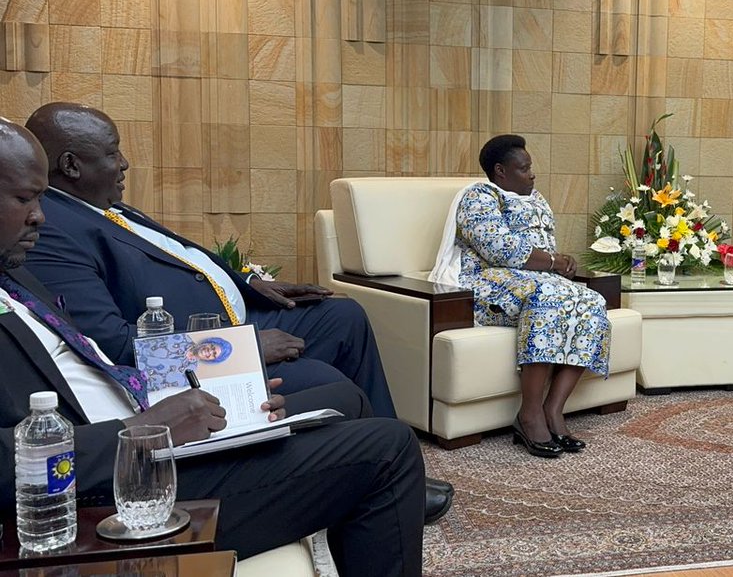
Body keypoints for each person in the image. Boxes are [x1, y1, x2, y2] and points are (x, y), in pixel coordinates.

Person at [0, 118, 424, 575]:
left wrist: (248, 287)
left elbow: (173, 274)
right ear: (73, 164)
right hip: (115, 480)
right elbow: (115, 343)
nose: (38, 214)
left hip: (149, 411)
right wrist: (143, 425)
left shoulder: (18, 273)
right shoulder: (45, 241)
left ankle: (362, 504)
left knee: (341, 383)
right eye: (25, 198)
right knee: (389, 447)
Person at [430, 135, 610, 458]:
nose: (532, 174)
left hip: (532, 281)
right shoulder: (480, 197)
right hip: (484, 284)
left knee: (593, 302)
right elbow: (500, 249)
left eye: (531, 168)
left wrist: (560, 261)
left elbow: (544, 249)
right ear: (501, 171)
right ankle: (528, 415)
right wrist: (553, 262)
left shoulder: (537, 199)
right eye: (524, 168)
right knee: (546, 296)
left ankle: (553, 410)